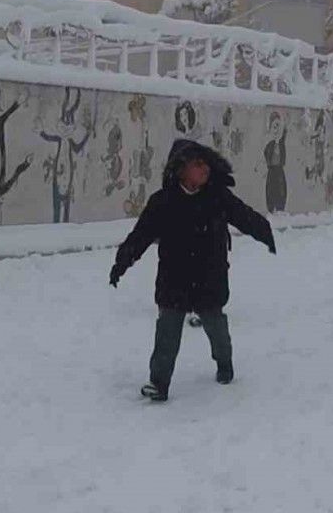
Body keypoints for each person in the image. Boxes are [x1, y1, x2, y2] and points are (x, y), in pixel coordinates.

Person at [109, 139, 276, 402]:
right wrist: (121, 264)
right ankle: (158, 383)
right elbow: (140, 236)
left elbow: (244, 216)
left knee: (216, 328)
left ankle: (224, 363)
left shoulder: (218, 197)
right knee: (167, 332)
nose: (205, 168)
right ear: (181, 168)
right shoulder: (163, 202)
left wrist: (265, 234)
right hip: (174, 279)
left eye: (206, 163)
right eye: (198, 164)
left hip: (209, 278)